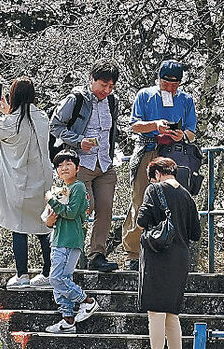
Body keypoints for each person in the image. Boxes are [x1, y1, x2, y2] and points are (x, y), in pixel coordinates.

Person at [121, 60, 198, 270]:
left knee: (175, 202)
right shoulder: (145, 95)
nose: (170, 87)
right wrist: (155, 125)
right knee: (140, 199)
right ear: (159, 79)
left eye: (175, 84)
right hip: (148, 148)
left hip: (174, 153)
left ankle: (170, 250)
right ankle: (133, 254)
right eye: (166, 82)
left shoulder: (186, 100)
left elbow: (192, 131)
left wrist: (182, 134)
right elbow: (135, 125)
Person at [50, 58, 122, 272]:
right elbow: (55, 125)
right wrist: (78, 140)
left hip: (105, 163)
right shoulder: (76, 99)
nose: (106, 90)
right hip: (80, 164)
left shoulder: (112, 101)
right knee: (83, 208)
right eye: (103, 85)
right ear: (92, 80)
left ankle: (97, 255)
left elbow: (112, 131)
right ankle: (67, 254)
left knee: (105, 208)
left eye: (111, 87)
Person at [0, 77, 52, 289]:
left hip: (17, 182)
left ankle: (22, 274)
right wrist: (6, 110)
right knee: (43, 226)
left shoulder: (13, 121)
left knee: (18, 226)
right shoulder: (42, 117)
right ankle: (48, 272)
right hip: (41, 181)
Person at [137, 157, 201, 349]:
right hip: (180, 258)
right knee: (172, 316)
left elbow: (141, 221)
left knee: (156, 313)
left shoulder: (154, 190)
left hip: (158, 256)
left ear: (156, 174)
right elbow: (195, 233)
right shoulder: (186, 195)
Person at [45, 149, 100, 334]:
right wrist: (51, 215)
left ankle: (87, 301)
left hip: (70, 240)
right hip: (58, 239)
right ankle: (67, 320)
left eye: (68, 164)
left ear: (77, 168)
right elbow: (48, 220)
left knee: (56, 278)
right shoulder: (60, 189)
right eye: (60, 165)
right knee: (61, 279)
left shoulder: (78, 187)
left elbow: (71, 212)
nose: (64, 168)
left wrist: (52, 201)